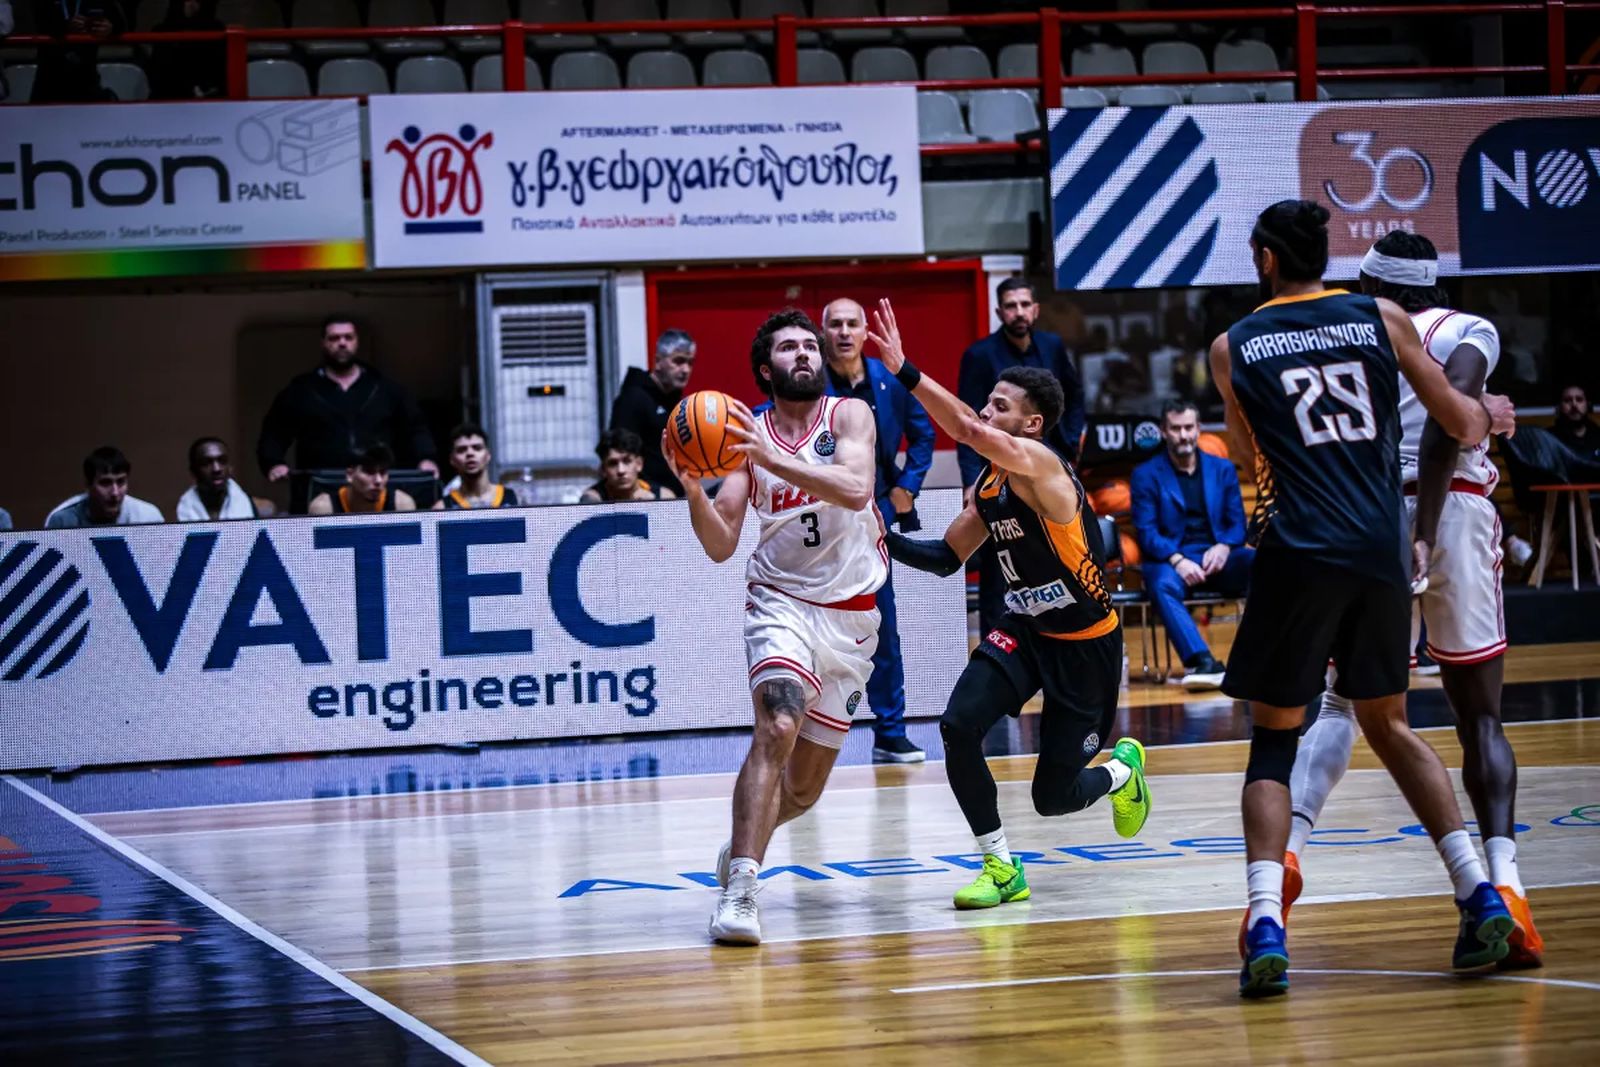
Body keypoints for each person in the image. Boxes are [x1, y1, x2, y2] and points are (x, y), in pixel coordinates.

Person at [1210, 200, 1517, 998]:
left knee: (1275, 739)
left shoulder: (1232, 345)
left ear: (1266, 260)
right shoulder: (1381, 316)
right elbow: (1454, 419)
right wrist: (1493, 415)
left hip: (1299, 546)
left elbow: (1250, 457)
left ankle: (1265, 920)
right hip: (1383, 545)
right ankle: (1479, 889)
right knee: (1389, 722)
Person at [1282, 230, 1544, 970]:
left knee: (1341, 704)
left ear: (1371, 281)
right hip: (1452, 511)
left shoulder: (1355, 331)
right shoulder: (1467, 330)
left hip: (1369, 517)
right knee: (1481, 716)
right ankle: (1509, 888)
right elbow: (1450, 421)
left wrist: (1408, 532)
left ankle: (1292, 851)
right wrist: (1483, 421)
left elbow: (1418, 427)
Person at [870, 298, 1149, 911]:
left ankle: (1123, 771)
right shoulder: (988, 483)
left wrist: (906, 370)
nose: (986, 412)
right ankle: (1000, 866)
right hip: (1025, 629)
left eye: (1001, 406)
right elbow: (948, 557)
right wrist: (883, 538)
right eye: (988, 400)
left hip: (1085, 646)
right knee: (957, 726)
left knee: (1054, 797)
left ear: (1031, 425)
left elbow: (966, 428)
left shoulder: (1042, 466)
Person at [666, 309, 884, 946]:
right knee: (778, 724)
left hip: (851, 618)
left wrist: (768, 457)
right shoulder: (744, 439)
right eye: (790, 347)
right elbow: (720, 543)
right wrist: (693, 490)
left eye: (811, 345)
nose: (806, 353)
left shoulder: (849, 416)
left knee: (806, 789)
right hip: (781, 604)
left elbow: (853, 486)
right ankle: (741, 889)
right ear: (767, 369)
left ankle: (744, 841)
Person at [818, 297, 934, 763]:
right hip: (823, 520)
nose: (844, 332)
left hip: (877, 516)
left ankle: (891, 731)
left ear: (866, 331)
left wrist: (907, 486)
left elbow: (924, 435)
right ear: (822, 332)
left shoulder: (889, 379)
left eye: (852, 324)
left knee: (882, 628)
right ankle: (811, 734)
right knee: (819, 633)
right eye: (835, 324)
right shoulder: (810, 386)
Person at [958, 278, 1087, 638]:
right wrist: (971, 478)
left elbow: (1075, 397)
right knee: (1000, 560)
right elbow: (970, 421)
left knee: (1056, 552)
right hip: (998, 469)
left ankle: (1059, 633)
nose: (1018, 312)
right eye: (1010, 306)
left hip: (1049, 466)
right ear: (1000, 312)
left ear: (1036, 309)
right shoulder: (980, 355)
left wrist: (1072, 444)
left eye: (1024, 304)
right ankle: (994, 641)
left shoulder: (1053, 346)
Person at [257, 315, 438, 512]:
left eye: (348, 337)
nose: (342, 343)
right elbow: (274, 431)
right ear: (323, 343)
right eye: (334, 338)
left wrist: (425, 458)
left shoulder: (384, 388)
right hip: (321, 485)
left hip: (375, 486)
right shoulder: (301, 390)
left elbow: (415, 427)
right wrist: (273, 462)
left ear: (356, 341)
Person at [1130, 398, 1253, 689]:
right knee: (1160, 583)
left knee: (1261, 562)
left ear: (1199, 429)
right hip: (1172, 560)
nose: (1183, 435)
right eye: (1175, 428)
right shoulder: (1145, 474)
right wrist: (1177, 559)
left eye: (1188, 427)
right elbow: (1146, 532)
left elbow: (1237, 524)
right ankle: (1202, 661)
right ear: (1163, 431)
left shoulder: (1222, 469)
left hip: (1217, 557)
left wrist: (1224, 546)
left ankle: (1259, 656)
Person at [610, 329, 695, 498]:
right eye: (678, 361)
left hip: (675, 496)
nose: (685, 369)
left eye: (690, 363)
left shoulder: (677, 403)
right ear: (657, 361)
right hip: (646, 499)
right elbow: (619, 455)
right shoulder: (633, 399)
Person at [45, 446, 164, 528]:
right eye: (105, 483)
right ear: (88, 485)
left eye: (121, 482)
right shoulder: (62, 521)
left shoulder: (148, 517)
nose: (115, 493)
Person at [31, 0, 125, 103]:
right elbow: (41, 21)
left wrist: (110, 27)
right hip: (49, 78)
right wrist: (66, 27)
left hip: (86, 77)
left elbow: (121, 25)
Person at [176, 437, 274, 520]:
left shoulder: (256, 507)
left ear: (230, 468)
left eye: (222, 461)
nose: (216, 469)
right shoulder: (184, 509)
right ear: (193, 471)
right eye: (206, 463)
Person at [307, 443, 418, 515]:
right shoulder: (324, 508)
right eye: (369, 472)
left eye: (383, 472)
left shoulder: (402, 505)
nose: (378, 480)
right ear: (350, 475)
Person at [148, 0, 225, 99]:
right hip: (170, 96)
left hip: (207, 96)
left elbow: (219, 72)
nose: (191, 4)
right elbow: (158, 73)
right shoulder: (162, 30)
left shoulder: (217, 30)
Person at [578, 428, 676, 503]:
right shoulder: (593, 500)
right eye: (613, 463)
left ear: (639, 464)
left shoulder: (663, 497)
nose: (621, 470)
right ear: (603, 469)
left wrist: (656, 508)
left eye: (627, 461)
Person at [436, 424, 520, 509]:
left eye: (477, 448)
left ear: (488, 455)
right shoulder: (442, 508)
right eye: (461, 450)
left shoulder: (515, 499)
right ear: (452, 459)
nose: (470, 453)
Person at [1552, 383, 1599, 459]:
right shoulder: (1549, 438)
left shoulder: (1597, 435)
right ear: (1559, 407)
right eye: (1567, 400)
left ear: (1588, 405)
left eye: (1579, 399)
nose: (1574, 405)